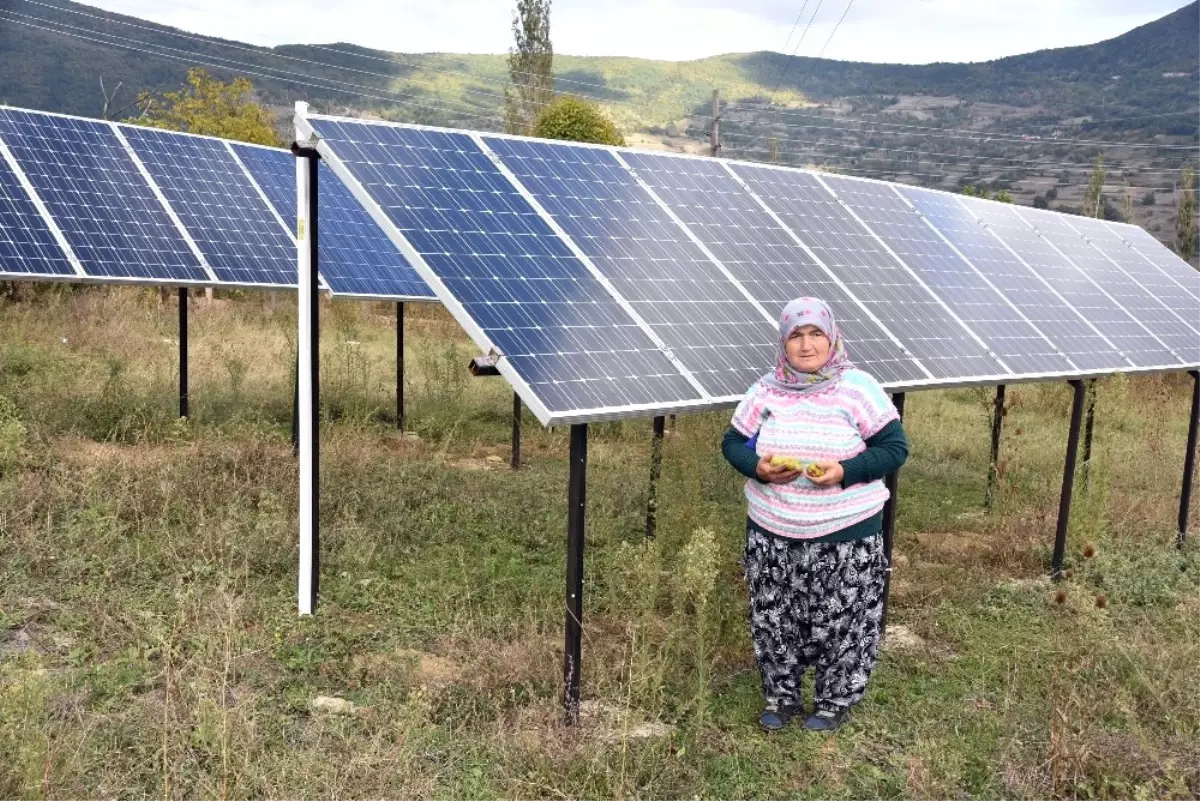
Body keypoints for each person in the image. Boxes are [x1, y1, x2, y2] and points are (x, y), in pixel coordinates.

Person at [721, 297, 909, 732]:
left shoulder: (858, 388)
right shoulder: (765, 390)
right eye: (796, 336)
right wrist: (758, 468)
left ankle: (833, 701)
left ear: (832, 337)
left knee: (843, 619)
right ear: (783, 343)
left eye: (815, 334)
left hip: (846, 531)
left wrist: (845, 471)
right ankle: (780, 698)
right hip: (772, 530)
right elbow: (732, 442)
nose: (806, 346)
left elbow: (895, 448)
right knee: (775, 618)